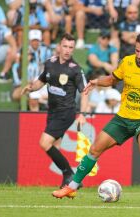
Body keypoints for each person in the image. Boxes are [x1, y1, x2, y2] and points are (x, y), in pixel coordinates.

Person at [52, 32, 140, 199]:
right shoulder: (127, 62)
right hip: (123, 117)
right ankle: (71, 187)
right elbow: (112, 80)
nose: (139, 55)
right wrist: (96, 81)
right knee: (95, 148)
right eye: (137, 50)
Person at [21, 33, 88, 188]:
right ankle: (70, 182)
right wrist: (31, 87)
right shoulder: (50, 63)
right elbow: (42, 80)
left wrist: (82, 115)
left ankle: (69, 175)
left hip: (66, 112)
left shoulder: (76, 69)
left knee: (44, 143)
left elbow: (85, 92)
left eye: (71, 47)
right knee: (55, 149)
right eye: (65, 46)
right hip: (52, 112)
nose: (67, 50)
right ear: (59, 46)